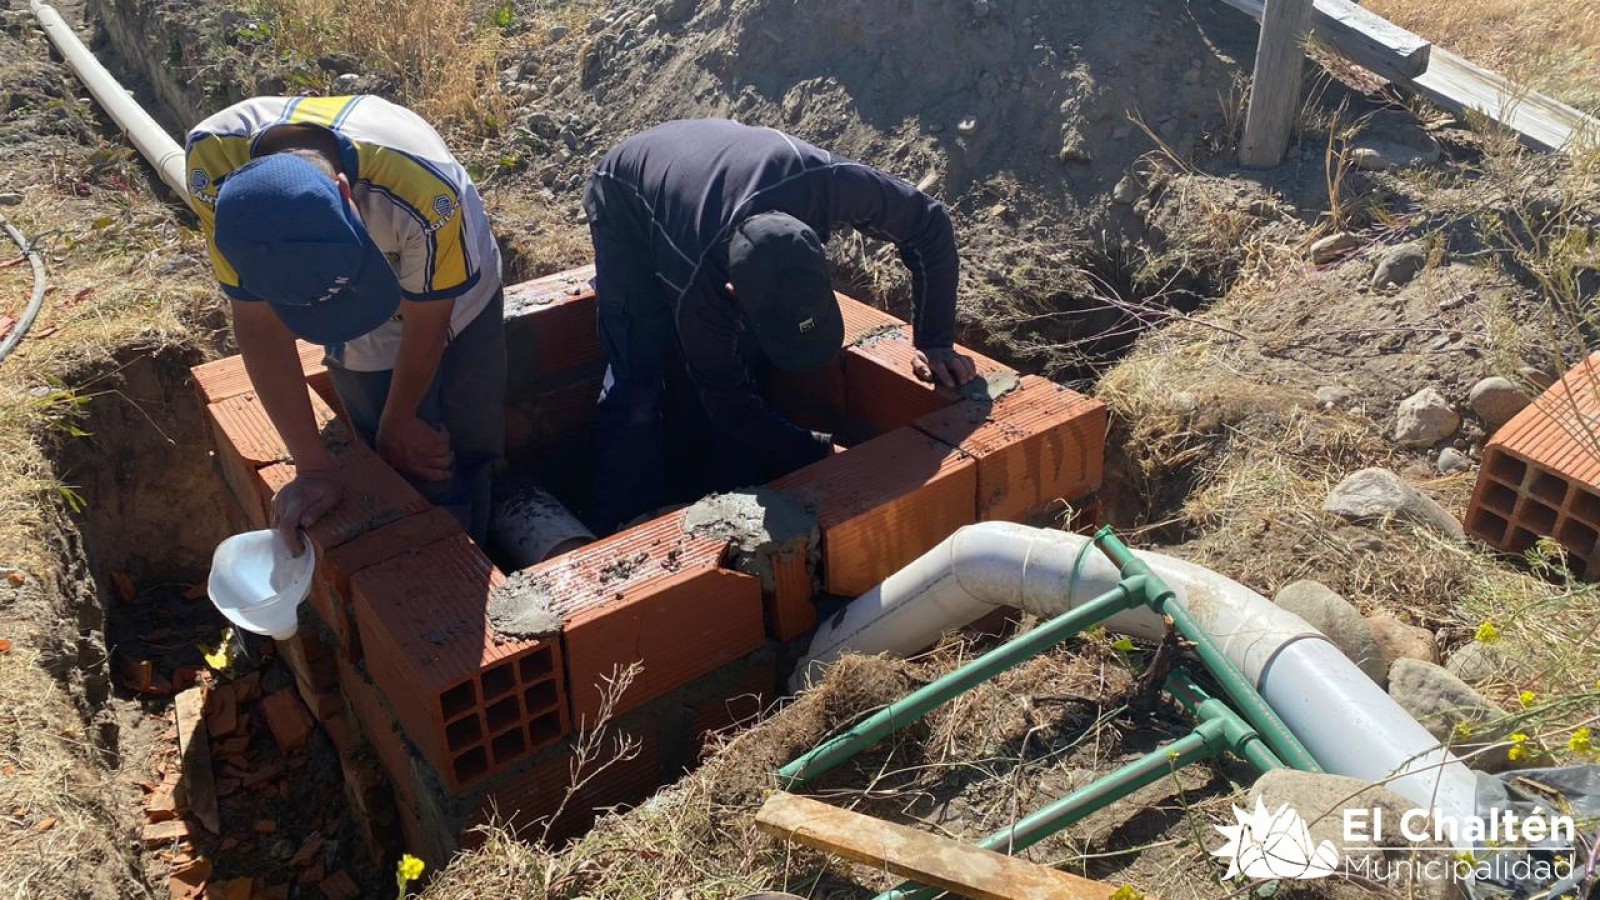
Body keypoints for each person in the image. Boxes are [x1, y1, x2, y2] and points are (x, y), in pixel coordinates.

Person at [583, 118, 976, 535]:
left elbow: (929, 224)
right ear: (732, 292)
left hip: (714, 178)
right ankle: (619, 521)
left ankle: (732, 480)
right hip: (624, 194)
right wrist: (815, 451)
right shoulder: (699, 284)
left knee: (745, 364)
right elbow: (725, 398)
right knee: (638, 375)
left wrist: (935, 340)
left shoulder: (830, 186)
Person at [186, 95, 505, 548]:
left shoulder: (423, 190)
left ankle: (486, 529)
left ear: (343, 192)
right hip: (360, 265)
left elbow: (429, 320)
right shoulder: (215, 168)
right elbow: (257, 323)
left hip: (452, 278)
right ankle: (438, 544)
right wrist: (312, 466)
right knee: (405, 463)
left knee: (469, 431)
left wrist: (400, 416)